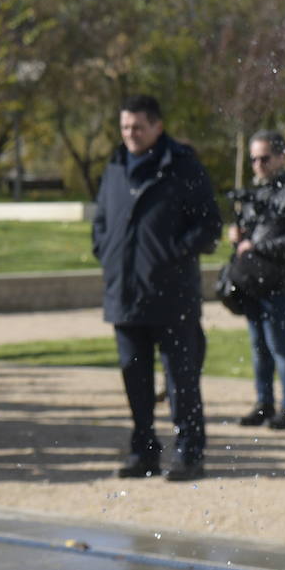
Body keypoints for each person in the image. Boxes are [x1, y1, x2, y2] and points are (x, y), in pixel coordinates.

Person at [92, 95, 221, 482]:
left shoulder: (182, 167)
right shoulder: (114, 167)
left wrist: (175, 253)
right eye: (125, 127)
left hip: (172, 294)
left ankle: (189, 453)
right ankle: (144, 452)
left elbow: (209, 225)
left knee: (181, 380)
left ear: (157, 127)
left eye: (138, 127)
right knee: (135, 378)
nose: (130, 134)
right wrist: (108, 253)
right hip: (125, 296)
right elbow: (101, 222)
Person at [230, 130, 285, 431]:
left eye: (264, 158)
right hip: (252, 280)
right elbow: (249, 234)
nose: (258, 164)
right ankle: (264, 403)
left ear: (281, 157)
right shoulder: (254, 194)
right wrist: (238, 238)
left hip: (277, 281)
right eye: (253, 159)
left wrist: (259, 246)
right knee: (257, 345)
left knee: (278, 344)